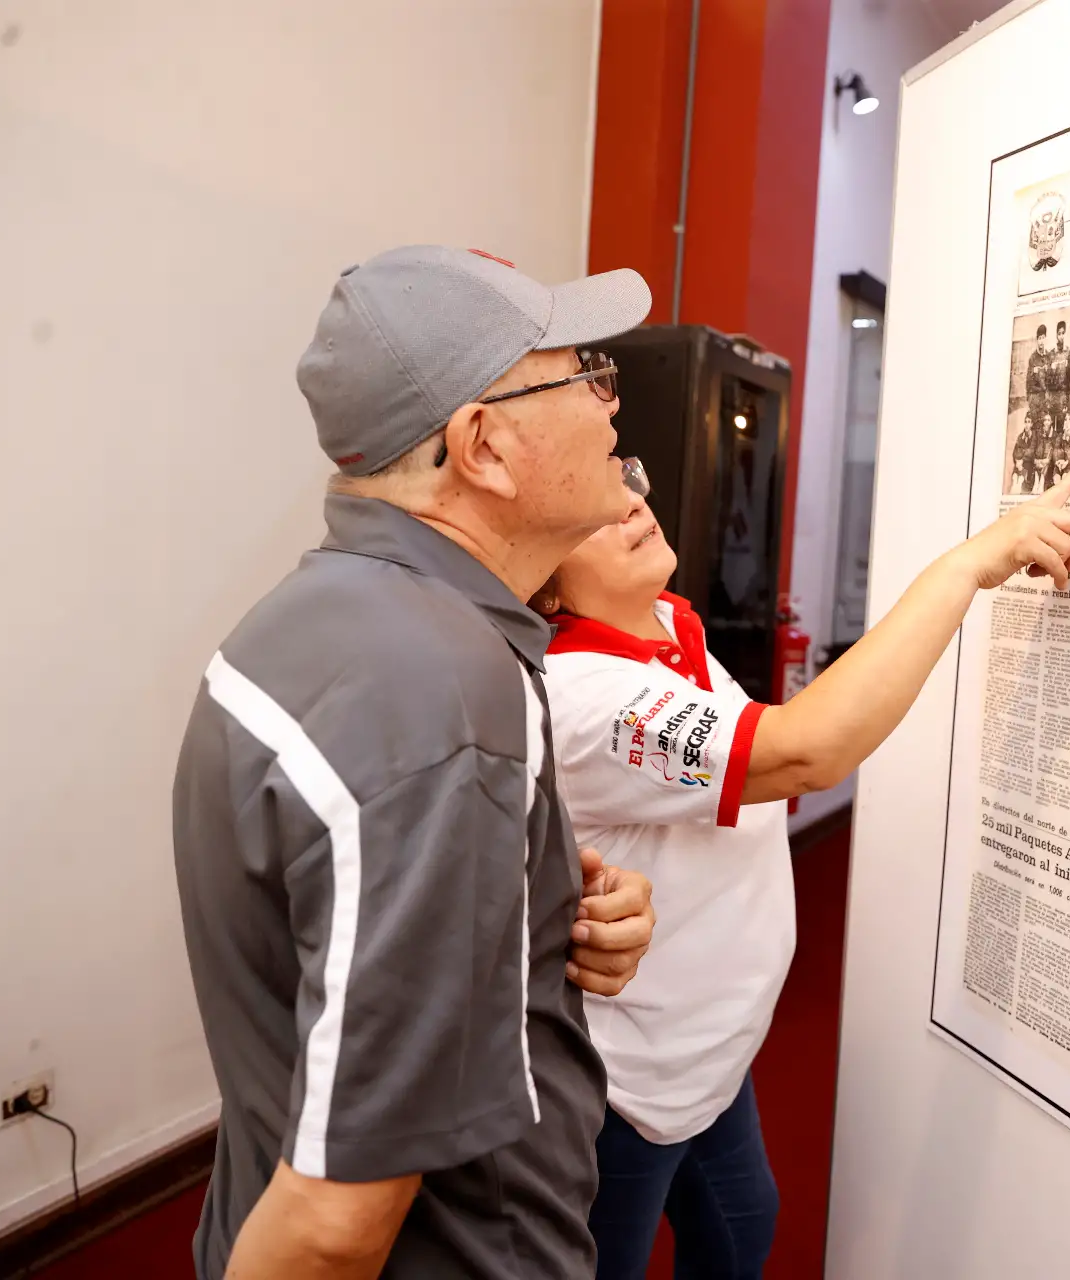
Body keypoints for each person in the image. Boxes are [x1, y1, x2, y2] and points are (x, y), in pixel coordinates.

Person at [172, 246, 661, 1280]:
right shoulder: (439, 697)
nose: (614, 406)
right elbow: (336, 1223)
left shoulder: (339, 621)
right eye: (587, 376)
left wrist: (541, 897)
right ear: (483, 444)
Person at [535, 450, 1070, 1279]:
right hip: (629, 1083)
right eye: (594, 507)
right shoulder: (579, 690)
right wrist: (970, 565)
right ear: (544, 581)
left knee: (742, 1226)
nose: (629, 503)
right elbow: (805, 752)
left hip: (709, 1056)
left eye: (624, 475)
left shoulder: (670, 623)